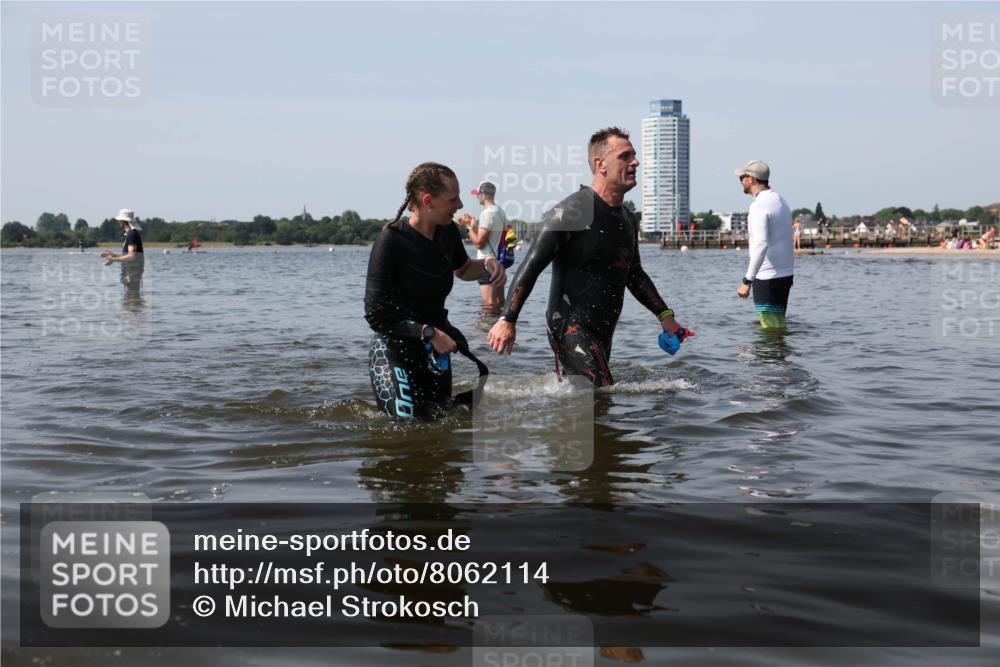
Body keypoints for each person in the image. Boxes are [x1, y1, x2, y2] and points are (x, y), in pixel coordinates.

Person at [487, 127, 686, 387]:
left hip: (603, 329)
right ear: (600, 164)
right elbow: (532, 265)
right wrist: (507, 319)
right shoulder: (570, 212)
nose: (635, 162)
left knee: (592, 405)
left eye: (634, 156)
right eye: (625, 156)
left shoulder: (627, 218)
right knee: (601, 395)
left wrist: (665, 316)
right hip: (570, 325)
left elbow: (633, 273)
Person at [365, 162, 505, 420]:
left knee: (441, 428)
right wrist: (427, 332)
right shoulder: (392, 239)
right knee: (407, 429)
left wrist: (487, 265)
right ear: (428, 201)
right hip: (394, 349)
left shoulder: (448, 232)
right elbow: (376, 315)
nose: (460, 205)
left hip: (435, 350)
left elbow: (462, 269)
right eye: (453, 199)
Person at [734, 160, 794, 330]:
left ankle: (768, 357)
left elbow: (760, 244)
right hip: (785, 275)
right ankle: (779, 356)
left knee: (770, 331)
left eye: (742, 177)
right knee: (777, 326)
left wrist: (747, 280)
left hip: (767, 277)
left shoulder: (759, 205)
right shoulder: (779, 200)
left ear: (752, 179)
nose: (740, 181)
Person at [457, 180, 508, 309]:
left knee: (489, 304)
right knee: (500, 302)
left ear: (484, 195)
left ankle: (486, 329)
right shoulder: (500, 212)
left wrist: (468, 229)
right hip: (499, 262)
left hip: (487, 263)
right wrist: (472, 226)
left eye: (478, 194)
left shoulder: (487, 214)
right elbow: (491, 237)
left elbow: (480, 243)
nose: (477, 197)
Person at [100, 208, 145, 293]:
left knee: (131, 300)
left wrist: (113, 259)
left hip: (132, 275)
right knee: (130, 301)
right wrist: (113, 255)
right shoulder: (130, 234)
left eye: (120, 219)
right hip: (130, 274)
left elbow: (131, 256)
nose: (118, 221)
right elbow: (129, 255)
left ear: (124, 221)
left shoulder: (132, 234)